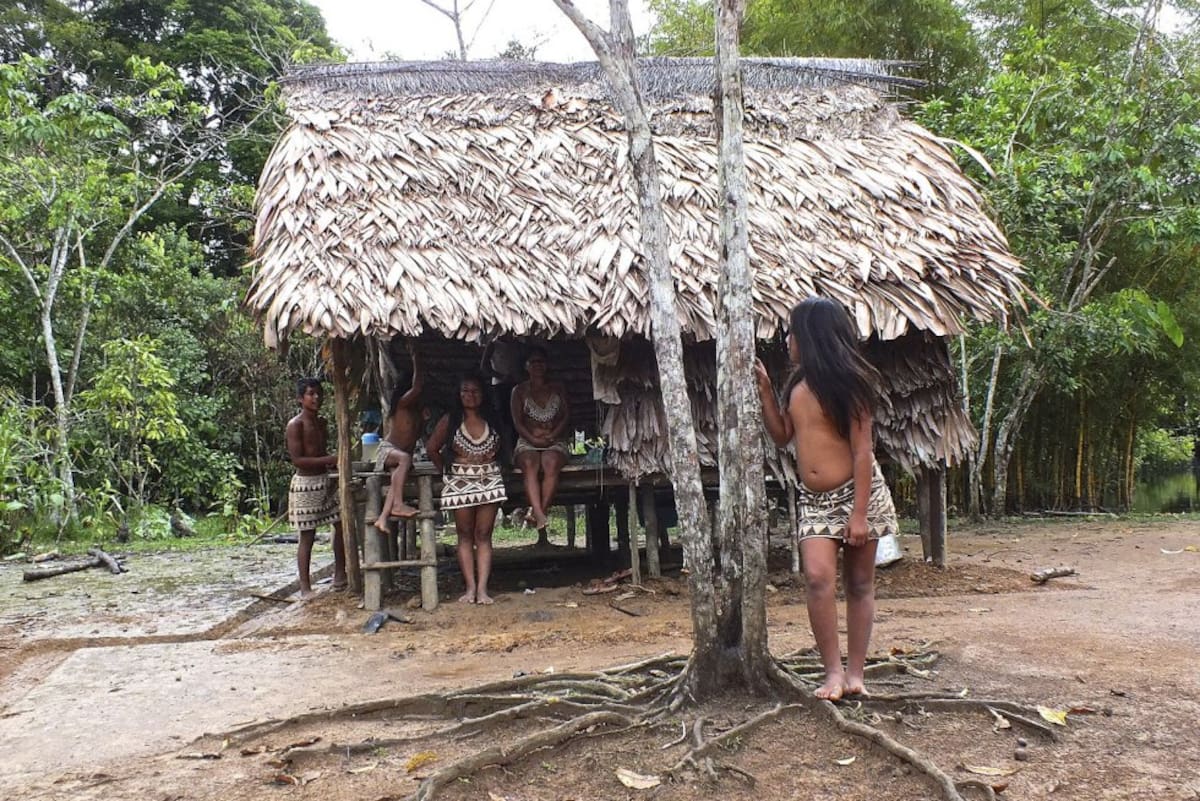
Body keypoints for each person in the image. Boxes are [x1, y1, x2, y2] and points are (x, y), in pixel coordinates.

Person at [755, 298, 898, 701]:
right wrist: (766, 392)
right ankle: (832, 673)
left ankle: (856, 674)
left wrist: (858, 515)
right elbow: (783, 435)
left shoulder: (852, 388)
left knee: (858, 582)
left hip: (859, 494)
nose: (786, 340)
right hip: (814, 501)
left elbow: (862, 453)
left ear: (811, 338)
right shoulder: (797, 388)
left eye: (792, 332)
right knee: (818, 579)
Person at [425, 374, 507, 605]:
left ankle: (482, 590)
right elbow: (432, 448)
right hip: (459, 481)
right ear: (458, 394)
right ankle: (470, 588)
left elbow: (503, 448)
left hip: (489, 479)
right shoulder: (450, 420)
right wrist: (448, 471)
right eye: (465, 391)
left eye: (475, 391)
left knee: (483, 535)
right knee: (464, 535)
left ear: (483, 394)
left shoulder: (492, 419)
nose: (470, 395)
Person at [286, 377, 348, 599]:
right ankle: (305, 587)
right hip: (306, 484)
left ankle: (340, 574)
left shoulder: (321, 423)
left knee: (341, 523)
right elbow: (298, 460)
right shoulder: (296, 425)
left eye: (318, 393)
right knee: (307, 535)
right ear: (300, 398)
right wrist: (329, 459)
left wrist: (330, 462)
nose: (316, 398)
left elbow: (320, 452)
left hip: (325, 480)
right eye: (311, 394)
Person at [510, 347, 570, 546]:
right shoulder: (518, 391)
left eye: (541, 362)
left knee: (551, 462)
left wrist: (553, 435)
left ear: (547, 365)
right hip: (527, 440)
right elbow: (517, 422)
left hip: (555, 440)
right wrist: (533, 439)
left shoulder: (558, 388)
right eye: (533, 362)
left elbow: (565, 416)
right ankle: (538, 513)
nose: (537, 366)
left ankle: (538, 512)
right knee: (529, 463)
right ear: (526, 366)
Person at [374, 345, 423, 533]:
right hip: (387, 451)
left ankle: (382, 518)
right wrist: (416, 359)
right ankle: (398, 505)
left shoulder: (416, 412)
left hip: (401, 454)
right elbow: (417, 387)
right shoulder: (402, 404)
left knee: (397, 481)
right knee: (404, 459)